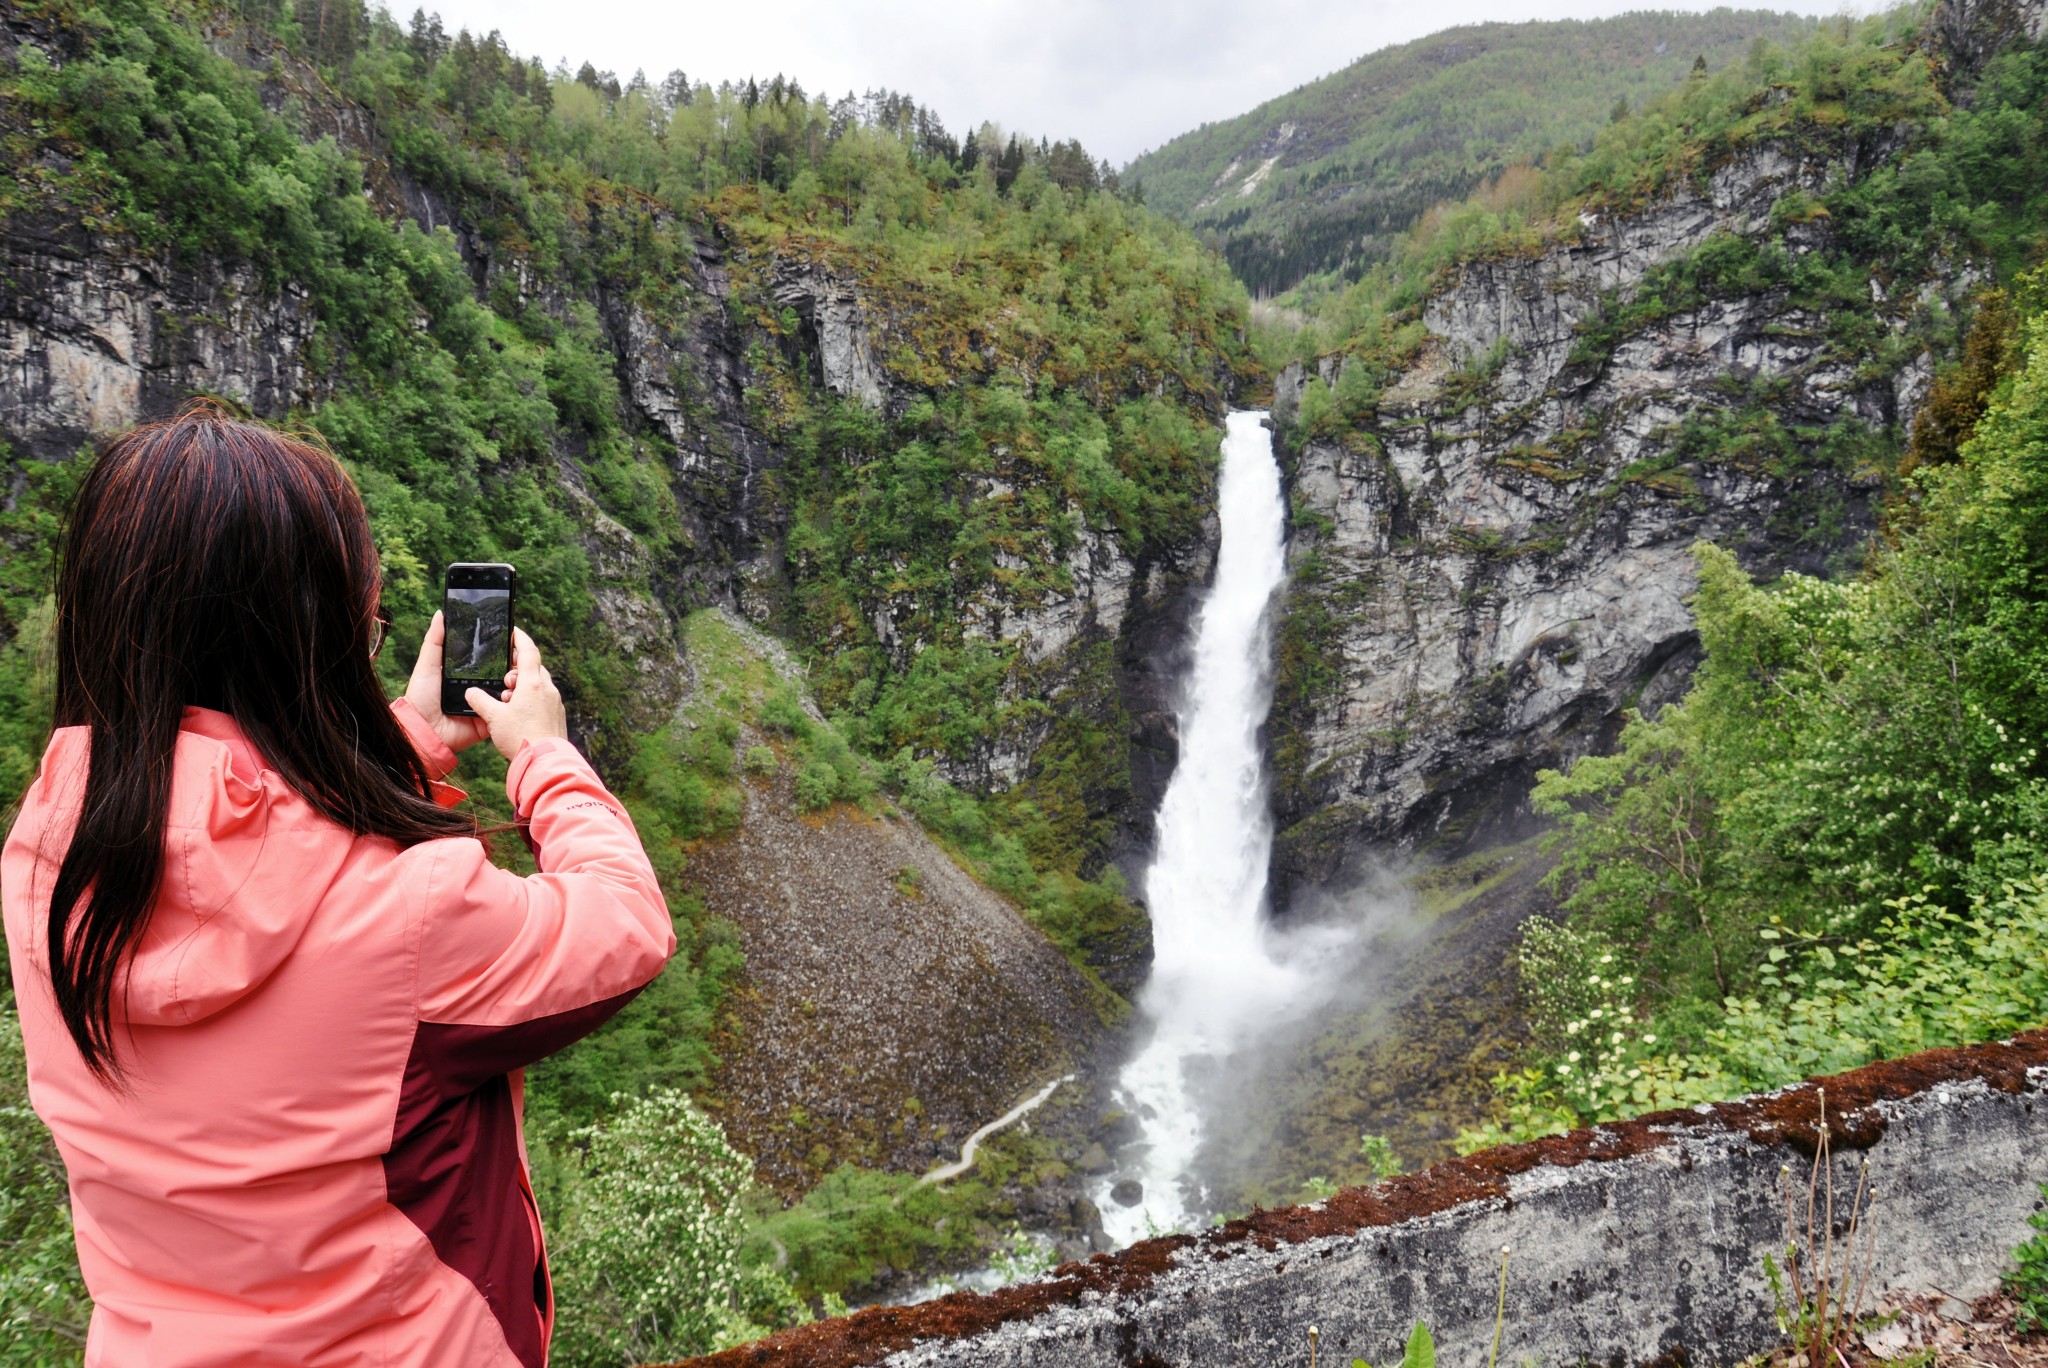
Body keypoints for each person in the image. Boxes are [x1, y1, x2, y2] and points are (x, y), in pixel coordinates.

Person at [1, 401, 676, 1367]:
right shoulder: (414, 911)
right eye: (361, 616)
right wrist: (544, 759)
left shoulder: (46, 864)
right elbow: (626, 925)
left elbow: (238, 842)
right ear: (307, 642)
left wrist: (409, 741)